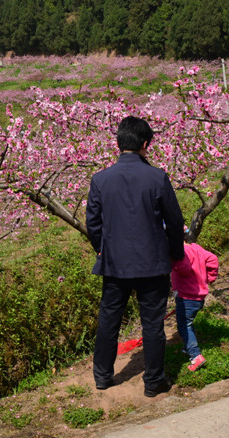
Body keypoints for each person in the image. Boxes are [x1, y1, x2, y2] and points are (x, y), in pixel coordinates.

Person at [86, 116, 186, 397]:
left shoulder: (100, 179)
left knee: (109, 320)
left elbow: (93, 223)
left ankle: (103, 377)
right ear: (145, 144)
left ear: (119, 144)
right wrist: (176, 253)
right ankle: (153, 382)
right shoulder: (157, 177)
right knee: (152, 323)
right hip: (152, 263)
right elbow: (175, 222)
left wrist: (101, 249)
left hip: (115, 263)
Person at [171, 240, 219, 372]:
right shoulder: (197, 249)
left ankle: (195, 355)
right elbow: (213, 259)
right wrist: (210, 278)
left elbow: (184, 268)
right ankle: (188, 347)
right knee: (188, 323)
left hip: (187, 297)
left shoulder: (182, 252)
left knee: (184, 326)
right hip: (198, 295)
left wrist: (172, 262)